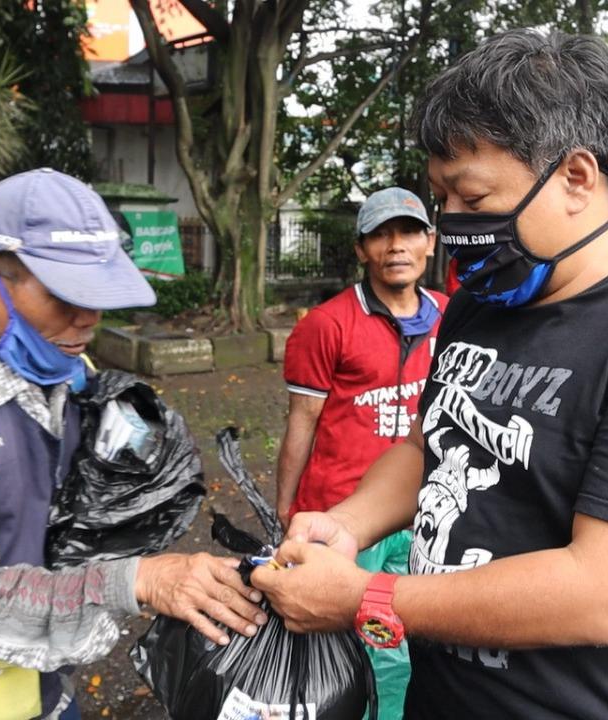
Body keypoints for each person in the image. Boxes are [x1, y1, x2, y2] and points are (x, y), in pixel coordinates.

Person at [253, 29, 608, 719]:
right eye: (443, 198)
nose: (452, 222)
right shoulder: (479, 305)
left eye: (472, 198)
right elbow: (425, 446)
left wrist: (366, 598)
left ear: (576, 177)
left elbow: (607, 593)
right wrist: (346, 527)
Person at [0, 168, 265, 719]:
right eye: (66, 296)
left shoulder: (68, 374)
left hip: (47, 693)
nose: (88, 319)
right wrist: (140, 580)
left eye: (99, 295)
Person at [276, 187, 446, 719]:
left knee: (410, 633)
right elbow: (301, 422)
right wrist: (285, 509)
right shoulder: (325, 325)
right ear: (361, 249)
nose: (396, 246)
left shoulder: (454, 317)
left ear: (430, 242)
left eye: (409, 231)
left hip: (423, 511)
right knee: (344, 641)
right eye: (380, 233)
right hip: (344, 513)